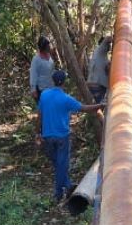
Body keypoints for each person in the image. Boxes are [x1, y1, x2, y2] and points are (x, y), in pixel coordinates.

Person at [37, 69, 103, 203]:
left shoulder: (44, 95)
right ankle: (58, 193)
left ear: (53, 81)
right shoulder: (66, 99)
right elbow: (84, 108)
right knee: (62, 165)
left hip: (47, 136)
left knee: (58, 163)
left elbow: (39, 115)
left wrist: (37, 133)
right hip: (62, 137)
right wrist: (100, 105)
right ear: (64, 82)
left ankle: (67, 185)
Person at [29, 36, 55, 107]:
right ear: (44, 47)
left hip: (51, 87)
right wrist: (33, 90)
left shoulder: (49, 57)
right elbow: (33, 74)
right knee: (43, 109)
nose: (50, 47)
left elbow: (52, 70)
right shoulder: (36, 59)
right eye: (48, 45)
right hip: (41, 89)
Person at [86, 37, 112, 102]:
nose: (110, 46)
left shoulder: (100, 55)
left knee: (98, 105)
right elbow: (107, 39)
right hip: (97, 84)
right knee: (100, 106)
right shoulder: (101, 49)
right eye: (108, 45)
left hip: (94, 83)